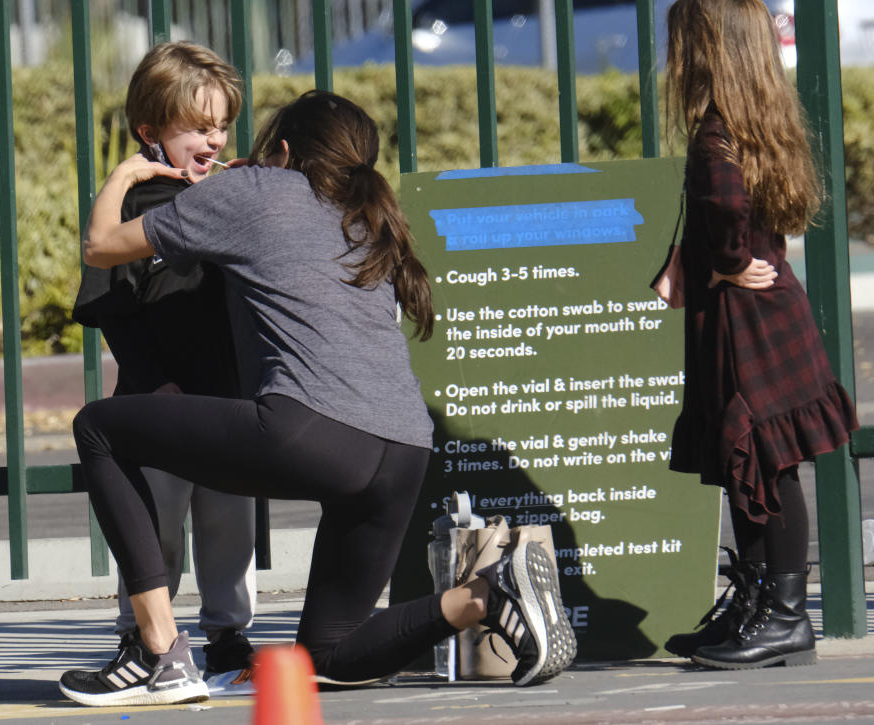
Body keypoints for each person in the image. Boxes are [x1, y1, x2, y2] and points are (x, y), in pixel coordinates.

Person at [59, 90, 576, 707]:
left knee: (99, 428)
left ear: (280, 150)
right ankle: (486, 596)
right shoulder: (366, 215)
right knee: (329, 655)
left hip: (309, 431)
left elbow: (102, 247)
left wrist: (126, 171)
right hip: (404, 449)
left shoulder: (253, 192)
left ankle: (159, 652)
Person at [660, 0, 859, 670]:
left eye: (682, 41)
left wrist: (728, 260)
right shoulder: (756, 122)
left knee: (764, 463)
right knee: (752, 461)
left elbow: (726, 207)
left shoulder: (718, 133)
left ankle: (784, 614)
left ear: (707, 49)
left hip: (749, 324)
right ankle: (756, 603)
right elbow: (728, 207)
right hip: (760, 317)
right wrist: (704, 263)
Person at [70, 41, 256, 691]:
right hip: (160, 398)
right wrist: (153, 377)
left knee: (230, 522)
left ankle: (230, 637)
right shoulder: (129, 208)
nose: (214, 140)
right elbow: (113, 308)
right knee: (155, 522)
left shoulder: (234, 195)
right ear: (150, 131)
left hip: (228, 397)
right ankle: (143, 638)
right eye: (197, 128)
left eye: (221, 126)